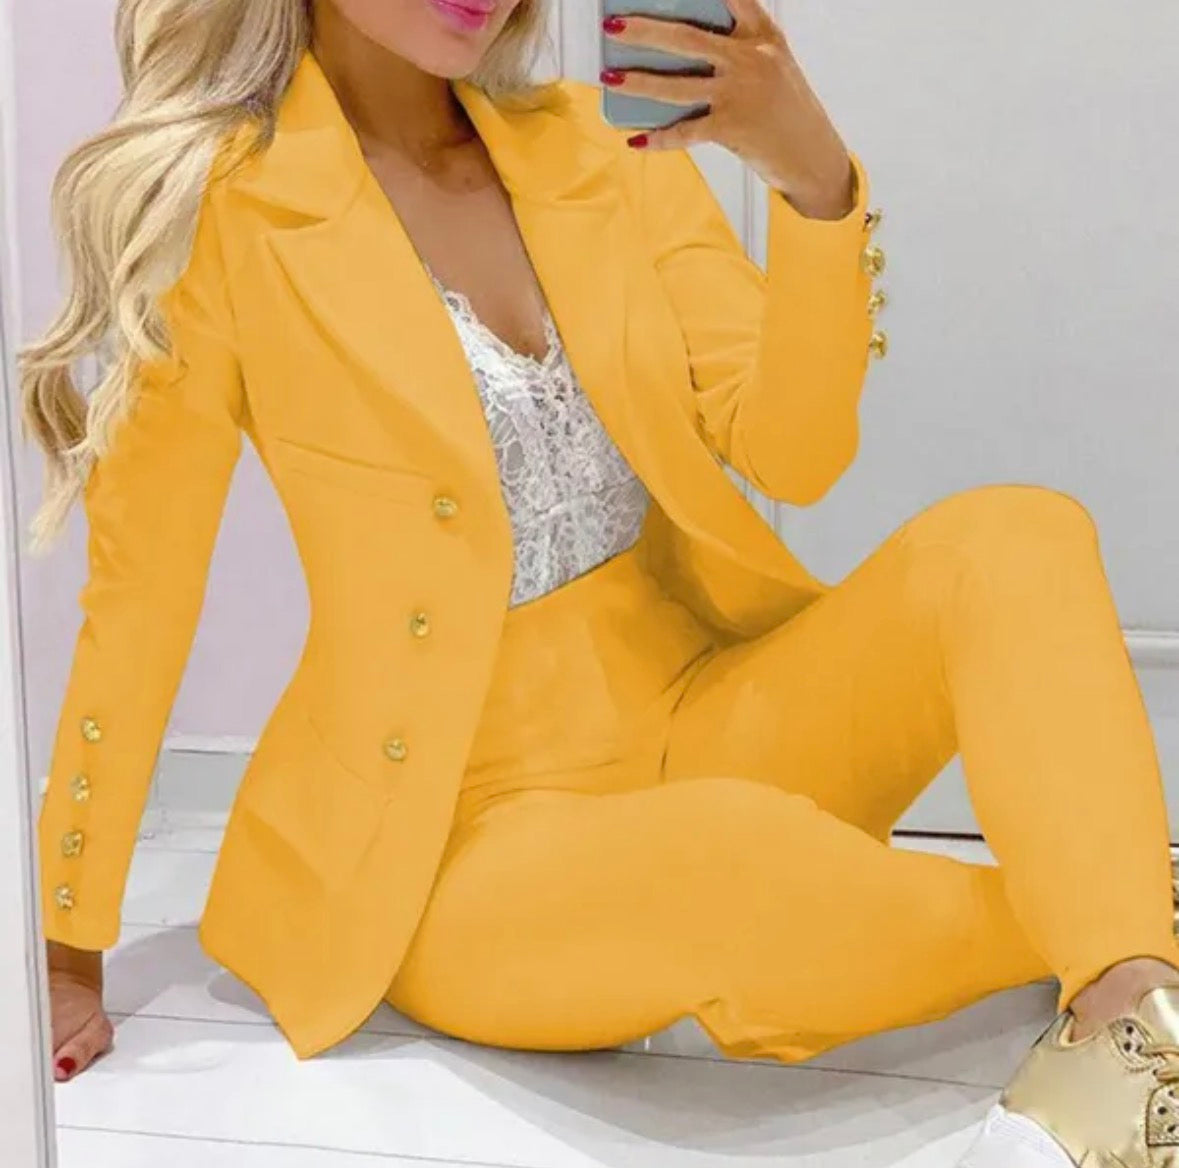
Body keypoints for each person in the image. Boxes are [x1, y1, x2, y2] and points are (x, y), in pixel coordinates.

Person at [18, 0, 1179, 1163]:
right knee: (735, 861)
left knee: (1016, 536)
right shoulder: (225, 217)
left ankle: (1128, 989)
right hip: (455, 846)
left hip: (706, 716)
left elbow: (796, 453)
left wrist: (817, 184)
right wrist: (65, 943)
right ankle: (1119, 922)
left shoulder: (600, 148)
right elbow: (143, 594)